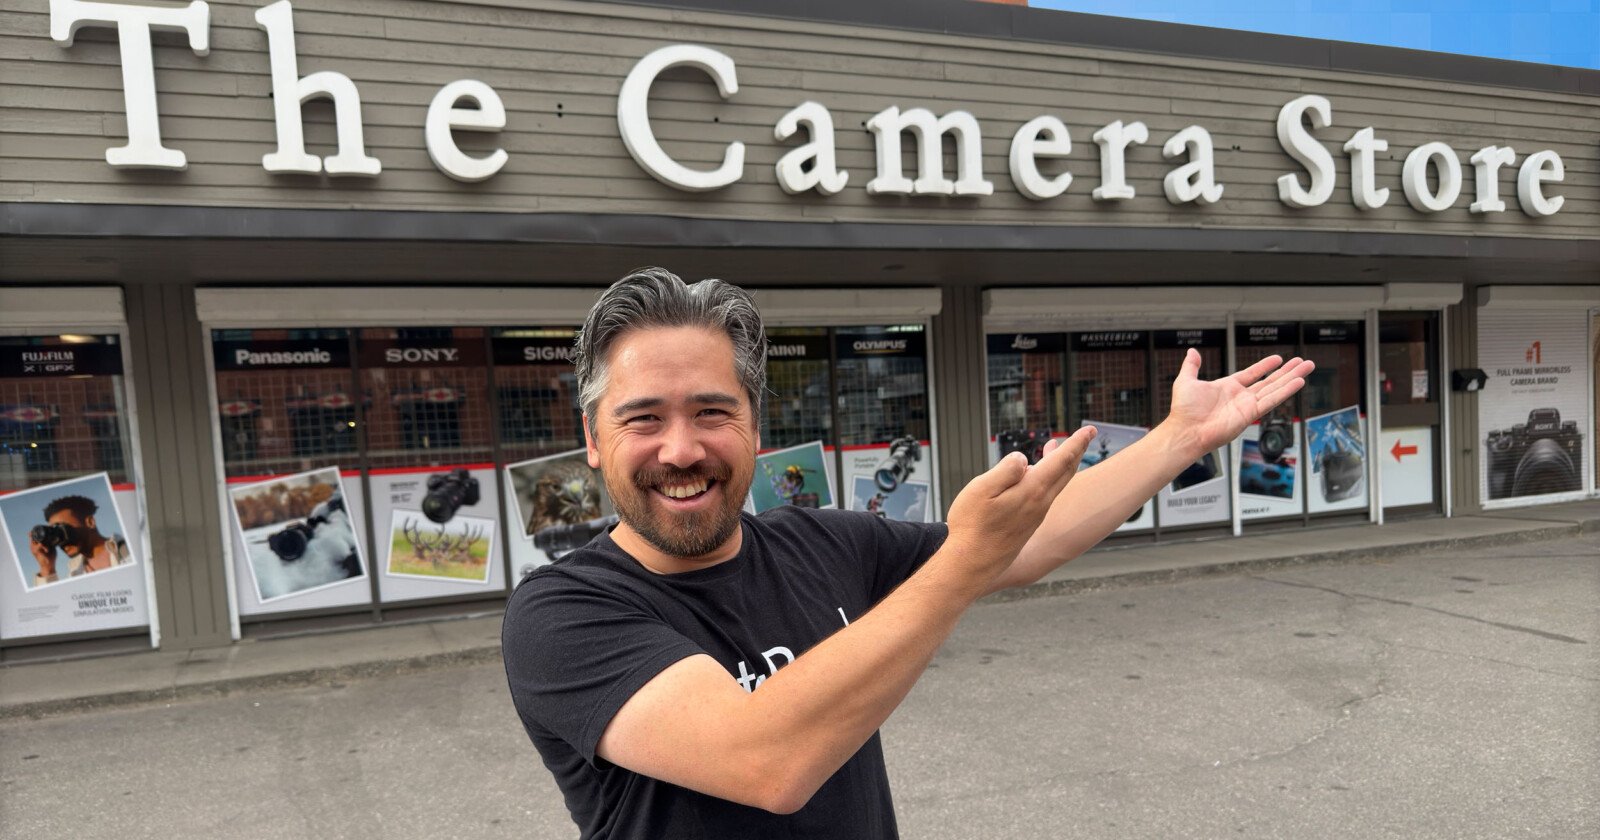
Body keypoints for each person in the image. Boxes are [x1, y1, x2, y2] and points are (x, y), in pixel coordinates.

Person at [502, 267, 1313, 839]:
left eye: (713, 411)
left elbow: (1020, 548)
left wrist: (1179, 440)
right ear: (595, 442)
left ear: (755, 422)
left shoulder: (820, 541)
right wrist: (963, 563)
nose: (681, 449)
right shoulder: (562, 615)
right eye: (643, 418)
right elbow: (768, 761)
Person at [28, 493, 131, 586]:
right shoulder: (75, 572)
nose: (60, 539)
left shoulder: (129, 549)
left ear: (90, 522)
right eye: (54, 532)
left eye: (62, 529)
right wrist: (47, 568)